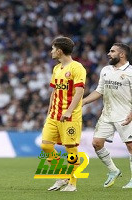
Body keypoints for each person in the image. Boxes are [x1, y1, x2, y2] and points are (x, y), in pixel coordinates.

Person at [83, 43, 132, 189]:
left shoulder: (130, 72)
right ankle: (113, 170)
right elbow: (100, 91)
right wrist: (84, 101)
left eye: (112, 51)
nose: (108, 54)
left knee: (130, 146)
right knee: (96, 143)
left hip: (125, 115)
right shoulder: (105, 70)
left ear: (122, 54)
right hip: (107, 114)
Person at [41, 36, 86, 192]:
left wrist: (68, 111)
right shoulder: (56, 68)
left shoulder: (77, 67)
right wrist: (48, 112)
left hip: (70, 116)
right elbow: (54, 91)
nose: (51, 51)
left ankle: (72, 183)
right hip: (54, 115)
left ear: (59, 51)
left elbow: (79, 91)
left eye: (53, 49)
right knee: (46, 145)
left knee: (70, 150)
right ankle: (61, 176)